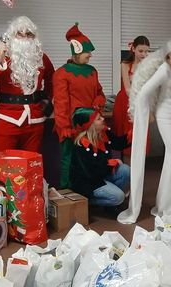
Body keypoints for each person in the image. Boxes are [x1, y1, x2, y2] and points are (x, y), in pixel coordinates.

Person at [117, 37, 171, 225]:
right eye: (169, 58)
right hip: (168, 117)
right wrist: (143, 112)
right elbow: (144, 92)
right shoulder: (164, 69)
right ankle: (168, 205)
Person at [0, 16, 54, 153]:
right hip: (7, 118)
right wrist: (0, 57)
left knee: (31, 166)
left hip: (35, 120)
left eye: (29, 34)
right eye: (20, 33)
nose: (25, 38)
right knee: (3, 166)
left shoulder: (42, 58)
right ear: (12, 36)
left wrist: (47, 102)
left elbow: (52, 80)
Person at [53, 23, 106, 188]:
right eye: (87, 52)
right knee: (69, 160)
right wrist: (64, 128)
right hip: (72, 127)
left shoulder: (92, 71)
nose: (90, 55)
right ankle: (67, 197)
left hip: (90, 125)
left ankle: (91, 195)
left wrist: (99, 101)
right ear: (76, 51)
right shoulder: (61, 73)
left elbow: (99, 93)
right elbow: (61, 104)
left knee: (91, 159)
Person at [70, 107, 131, 208]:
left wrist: (133, 133)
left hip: (101, 174)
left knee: (125, 170)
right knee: (119, 197)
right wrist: (111, 163)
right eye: (98, 119)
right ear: (90, 125)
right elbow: (91, 174)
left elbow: (119, 143)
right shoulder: (81, 145)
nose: (103, 119)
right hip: (89, 183)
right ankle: (89, 202)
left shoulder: (102, 134)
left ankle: (111, 203)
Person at [112, 35, 151, 159]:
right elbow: (128, 88)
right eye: (141, 51)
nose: (144, 54)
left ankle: (138, 171)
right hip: (126, 102)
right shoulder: (125, 64)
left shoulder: (149, 66)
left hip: (142, 102)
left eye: (147, 51)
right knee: (126, 136)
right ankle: (128, 169)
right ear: (133, 49)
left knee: (140, 136)